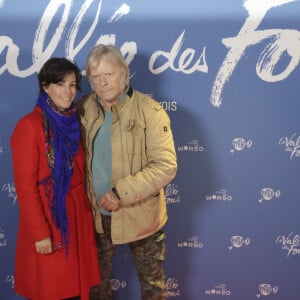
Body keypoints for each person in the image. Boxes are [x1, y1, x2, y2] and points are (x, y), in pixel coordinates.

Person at [77, 44, 177, 300]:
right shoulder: (83, 108)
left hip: (141, 216)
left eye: (108, 75)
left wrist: (119, 192)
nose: (102, 82)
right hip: (96, 217)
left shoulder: (150, 111)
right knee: (95, 288)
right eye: (95, 77)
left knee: (152, 288)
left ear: (123, 73)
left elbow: (165, 166)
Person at [10, 57, 101, 300]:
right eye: (61, 84)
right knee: (52, 291)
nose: (68, 91)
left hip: (77, 219)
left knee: (75, 292)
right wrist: (40, 233)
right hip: (51, 223)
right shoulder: (28, 126)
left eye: (72, 84)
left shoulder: (73, 121)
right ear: (46, 86)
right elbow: (26, 188)